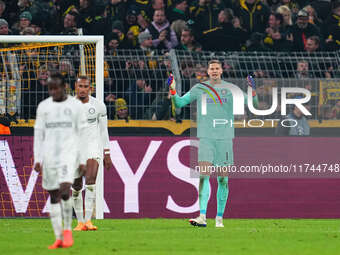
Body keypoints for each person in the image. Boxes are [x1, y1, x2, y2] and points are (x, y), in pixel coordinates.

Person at [169, 60, 258, 227]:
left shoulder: (231, 89)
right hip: (206, 138)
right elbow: (179, 103)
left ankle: (219, 218)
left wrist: (253, 92)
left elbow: (254, 105)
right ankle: (202, 216)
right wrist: (173, 90)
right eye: (212, 69)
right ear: (207, 71)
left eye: (217, 68)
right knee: (204, 176)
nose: (215, 71)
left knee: (223, 179)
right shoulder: (199, 88)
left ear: (222, 71)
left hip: (224, 138)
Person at [33, 72, 88, 249]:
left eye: (56, 87)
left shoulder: (75, 106)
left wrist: (82, 158)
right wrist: (38, 158)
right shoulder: (43, 107)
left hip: (68, 155)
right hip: (49, 156)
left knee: (65, 190)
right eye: (50, 88)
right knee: (54, 195)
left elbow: (82, 133)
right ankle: (58, 237)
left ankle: (67, 230)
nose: (53, 91)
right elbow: (39, 134)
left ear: (64, 87)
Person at [72, 76, 113, 231]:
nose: (82, 89)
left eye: (85, 86)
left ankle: (88, 221)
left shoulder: (99, 106)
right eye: (80, 86)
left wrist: (107, 153)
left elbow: (103, 131)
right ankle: (80, 222)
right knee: (76, 186)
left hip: (92, 147)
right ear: (76, 87)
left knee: (90, 181)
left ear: (90, 88)